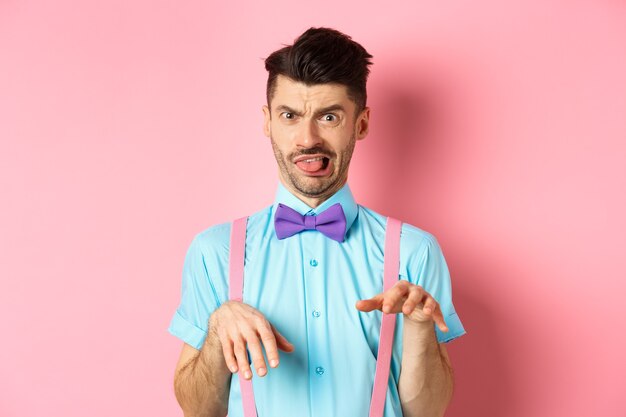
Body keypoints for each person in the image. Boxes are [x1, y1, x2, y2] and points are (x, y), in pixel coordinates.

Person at [168, 27, 465, 417]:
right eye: (290, 115)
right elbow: (198, 410)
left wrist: (420, 328)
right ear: (268, 121)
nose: (308, 138)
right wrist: (216, 330)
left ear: (360, 124)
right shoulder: (214, 251)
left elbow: (427, 412)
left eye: (329, 116)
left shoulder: (415, 250)